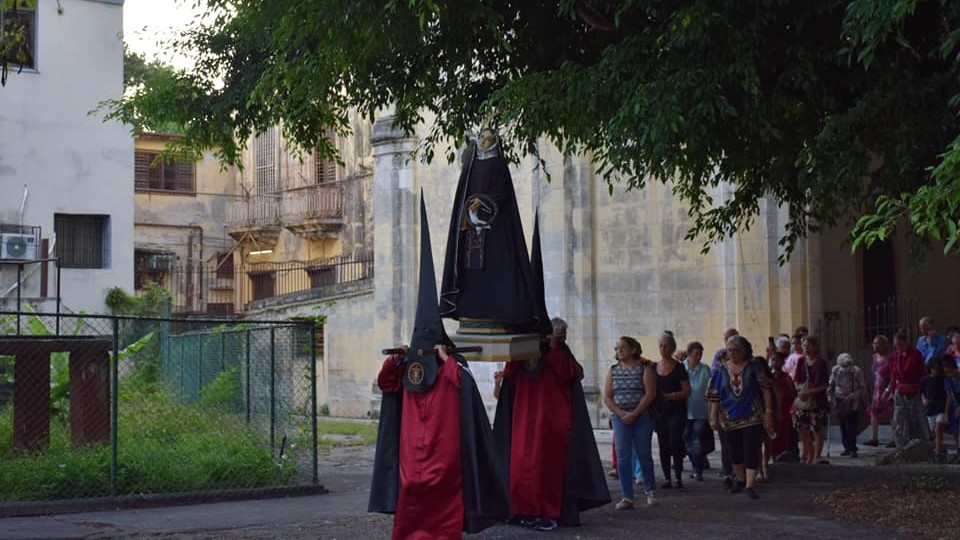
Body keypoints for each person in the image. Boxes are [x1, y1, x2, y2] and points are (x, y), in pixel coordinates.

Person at [369, 195, 508, 540]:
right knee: (412, 494)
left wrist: (447, 361)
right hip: (409, 450)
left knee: (441, 499)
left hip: (442, 451)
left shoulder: (452, 370)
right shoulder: (408, 368)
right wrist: (397, 358)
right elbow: (386, 383)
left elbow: (462, 387)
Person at [492, 317, 610, 530]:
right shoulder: (523, 352)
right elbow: (510, 375)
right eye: (560, 334)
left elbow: (572, 373)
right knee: (520, 468)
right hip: (524, 421)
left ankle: (547, 513)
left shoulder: (561, 352)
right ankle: (522, 510)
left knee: (547, 469)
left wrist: (555, 347)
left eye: (563, 335)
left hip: (552, 422)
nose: (563, 337)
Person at [440, 128, 536, 329]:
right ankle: (470, 313)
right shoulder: (470, 167)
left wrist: (482, 203)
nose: (484, 141)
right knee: (471, 269)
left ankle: (502, 313)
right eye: (481, 137)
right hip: (472, 229)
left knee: (498, 267)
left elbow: (502, 193)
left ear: (495, 141)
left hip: (495, 229)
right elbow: (463, 197)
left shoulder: (499, 165)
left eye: (488, 138)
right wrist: (467, 213)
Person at [707, 336, 774, 500]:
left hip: (752, 416)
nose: (732, 353)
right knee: (734, 450)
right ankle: (740, 479)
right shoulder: (721, 370)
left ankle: (750, 485)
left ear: (745, 351)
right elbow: (715, 395)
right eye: (729, 350)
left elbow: (766, 389)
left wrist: (768, 412)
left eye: (736, 350)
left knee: (751, 448)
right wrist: (713, 417)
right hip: (729, 418)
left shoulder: (754, 367)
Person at [604, 336, 658, 510]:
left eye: (622, 348)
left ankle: (650, 490)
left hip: (641, 417)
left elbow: (650, 394)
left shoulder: (645, 369)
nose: (618, 351)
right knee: (623, 457)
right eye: (617, 348)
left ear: (633, 349)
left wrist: (635, 413)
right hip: (620, 419)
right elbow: (607, 396)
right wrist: (620, 413)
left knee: (643, 453)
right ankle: (627, 496)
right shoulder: (613, 370)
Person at [654, 331, 690, 490]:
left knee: (675, 440)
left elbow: (687, 390)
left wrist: (671, 396)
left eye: (666, 345)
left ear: (672, 347)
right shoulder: (653, 367)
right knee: (663, 444)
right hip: (660, 412)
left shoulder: (679, 368)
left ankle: (677, 476)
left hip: (677, 410)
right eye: (661, 345)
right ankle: (667, 477)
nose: (663, 348)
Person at [883, 329, 929, 450]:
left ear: (906, 343)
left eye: (900, 344)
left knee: (917, 419)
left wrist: (922, 391)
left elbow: (921, 373)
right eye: (896, 345)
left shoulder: (916, 354)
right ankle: (900, 446)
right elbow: (893, 375)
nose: (899, 347)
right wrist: (890, 391)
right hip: (900, 391)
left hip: (914, 390)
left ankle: (922, 445)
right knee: (898, 419)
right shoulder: (894, 356)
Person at [792, 335, 830, 465]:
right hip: (803, 400)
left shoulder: (821, 363)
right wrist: (800, 390)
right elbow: (796, 379)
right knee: (802, 427)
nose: (805, 348)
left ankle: (817, 456)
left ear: (815, 346)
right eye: (803, 346)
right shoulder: (801, 361)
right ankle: (809, 452)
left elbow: (824, 384)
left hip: (817, 401)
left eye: (808, 345)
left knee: (817, 428)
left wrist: (810, 392)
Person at [683, 341, 714, 481]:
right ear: (689, 354)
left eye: (700, 354)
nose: (699, 357)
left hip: (700, 412)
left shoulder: (705, 369)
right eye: (696, 354)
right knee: (686, 440)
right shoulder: (681, 368)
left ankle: (697, 469)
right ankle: (697, 463)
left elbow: (710, 390)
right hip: (684, 411)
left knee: (696, 441)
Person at [827, 353, 867, 458]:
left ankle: (853, 448)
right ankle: (846, 448)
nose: (845, 368)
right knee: (843, 425)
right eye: (843, 366)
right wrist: (830, 398)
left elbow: (863, 388)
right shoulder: (835, 370)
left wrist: (853, 396)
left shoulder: (856, 371)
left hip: (852, 401)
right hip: (839, 400)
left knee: (851, 425)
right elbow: (831, 385)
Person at [765, 350, 796, 470]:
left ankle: (782, 456)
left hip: (784, 409)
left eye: (777, 360)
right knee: (772, 435)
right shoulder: (770, 377)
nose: (774, 362)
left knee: (783, 434)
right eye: (772, 359)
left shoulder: (786, 377)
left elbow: (793, 393)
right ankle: (772, 456)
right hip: (772, 409)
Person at [864, 335, 894, 448]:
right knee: (874, 413)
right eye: (873, 343)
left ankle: (894, 438)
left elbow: (893, 375)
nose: (874, 346)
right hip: (877, 389)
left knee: (891, 413)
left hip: (886, 388)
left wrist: (890, 390)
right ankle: (874, 438)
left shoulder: (889, 358)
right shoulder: (874, 357)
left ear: (884, 345)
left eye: (877, 343)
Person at [921, 356, 947, 460]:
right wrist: (924, 400)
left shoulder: (944, 380)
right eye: (934, 368)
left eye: (938, 368)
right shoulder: (925, 380)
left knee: (938, 428)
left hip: (941, 409)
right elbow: (921, 392)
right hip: (930, 410)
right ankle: (941, 447)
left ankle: (937, 453)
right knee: (934, 432)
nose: (936, 370)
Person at [941, 356, 960, 462]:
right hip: (954, 406)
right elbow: (949, 397)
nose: (949, 374)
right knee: (955, 431)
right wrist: (946, 413)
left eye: (950, 371)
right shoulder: (947, 380)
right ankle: (958, 449)